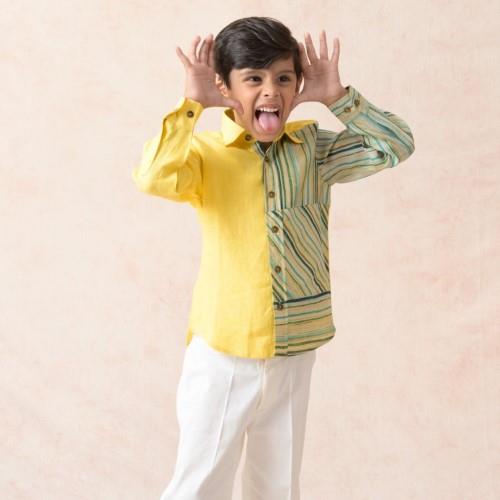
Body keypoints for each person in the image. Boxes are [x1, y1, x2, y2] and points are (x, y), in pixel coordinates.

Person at [132, 16, 415, 500]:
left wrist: (337, 97)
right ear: (225, 87)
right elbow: (153, 177)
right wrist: (192, 105)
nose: (271, 91)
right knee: (199, 484)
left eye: (283, 77)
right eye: (254, 79)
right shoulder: (203, 154)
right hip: (224, 351)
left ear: (297, 84)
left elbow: (396, 145)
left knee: (279, 487)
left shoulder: (312, 151)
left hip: (295, 350)